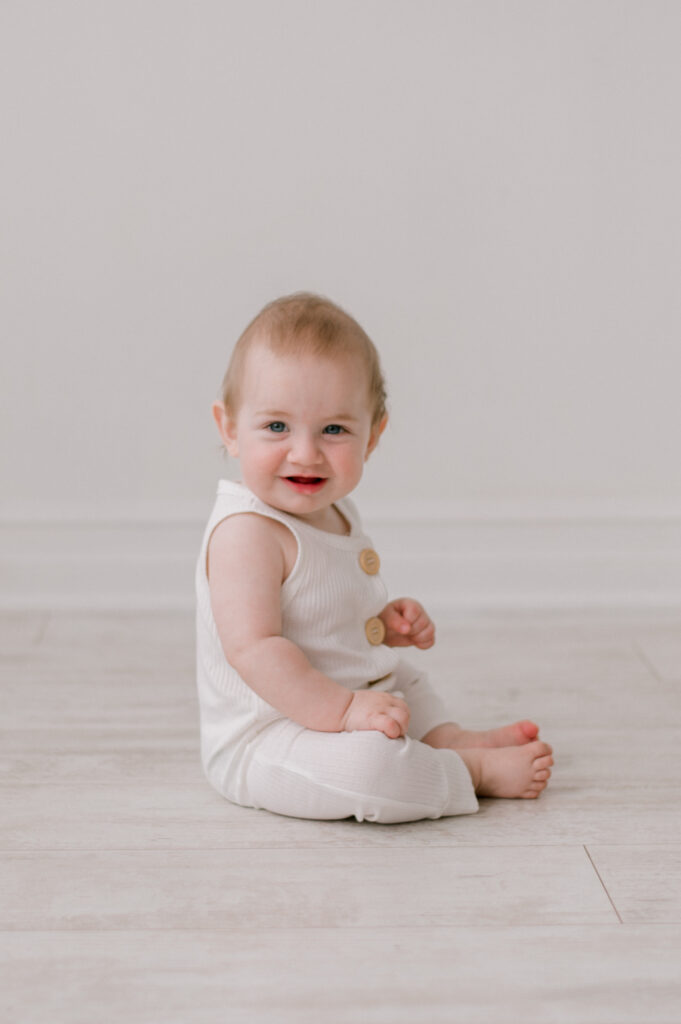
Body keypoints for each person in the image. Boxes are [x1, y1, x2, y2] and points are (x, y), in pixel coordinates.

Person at [195, 292, 553, 823]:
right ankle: (467, 772)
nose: (305, 452)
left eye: (334, 429)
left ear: (374, 435)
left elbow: (319, 611)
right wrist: (344, 710)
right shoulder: (246, 533)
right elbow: (255, 648)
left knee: (402, 678)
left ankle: (448, 739)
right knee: (370, 771)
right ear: (229, 428)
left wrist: (380, 626)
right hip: (269, 738)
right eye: (276, 427)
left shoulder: (333, 510)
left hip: (343, 697)